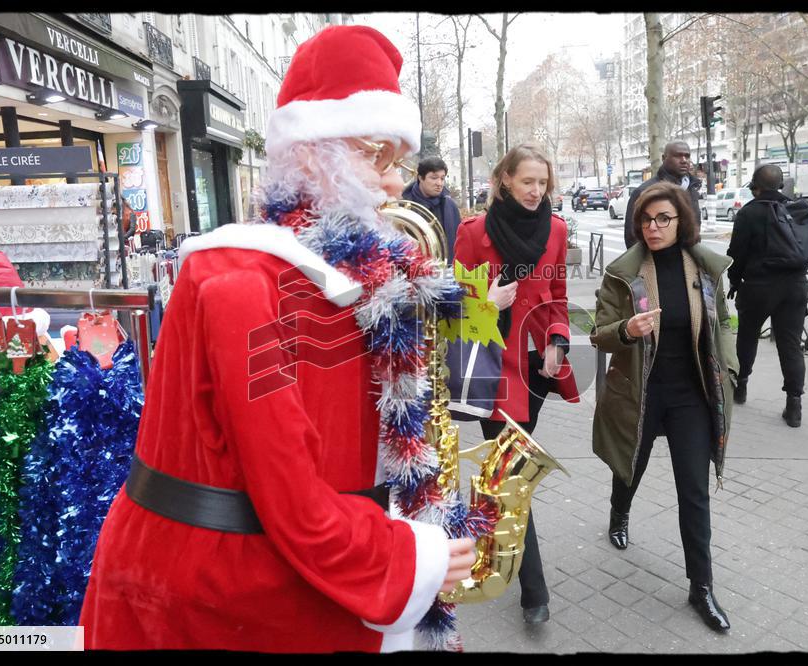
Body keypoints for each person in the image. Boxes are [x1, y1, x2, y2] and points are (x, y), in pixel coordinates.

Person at [80, 25, 476, 652]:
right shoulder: (241, 280)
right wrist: (409, 556)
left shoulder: (326, 276)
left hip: (268, 587)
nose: (397, 183)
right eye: (379, 157)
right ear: (318, 152)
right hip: (222, 601)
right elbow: (288, 495)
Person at [591, 181, 738, 633]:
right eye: (645, 219)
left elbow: (725, 320)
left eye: (662, 219)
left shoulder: (705, 268)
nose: (652, 227)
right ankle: (620, 511)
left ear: (681, 222)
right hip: (642, 391)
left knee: (693, 492)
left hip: (690, 395)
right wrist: (628, 330)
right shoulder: (625, 273)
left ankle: (702, 587)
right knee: (628, 467)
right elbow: (599, 332)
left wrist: (729, 365)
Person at [453, 143, 580, 625]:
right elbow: (454, 312)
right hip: (491, 368)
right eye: (527, 181)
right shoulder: (473, 233)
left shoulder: (558, 231)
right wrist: (487, 300)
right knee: (513, 469)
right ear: (504, 179)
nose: (535, 191)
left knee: (505, 467)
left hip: (535, 367)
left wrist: (558, 342)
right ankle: (534, 591)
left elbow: (558, 297)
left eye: (542, 183)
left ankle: (488, 542)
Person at [726, 164, 808, 427]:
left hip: (758, 286)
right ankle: (794, 405)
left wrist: (734, 280)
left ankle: (741, 387)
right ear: (780, 185)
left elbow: (737, 253)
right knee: (790, 346)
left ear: (756, 186)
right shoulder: (798, 211)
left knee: (747, 337)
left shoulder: (749, 212)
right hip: (795, 286)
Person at [624, 141, 704, 249]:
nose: (684, 160)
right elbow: (632, 237)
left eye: (687, 156)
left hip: (687, 261)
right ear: (663, 158)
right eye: (678, 156)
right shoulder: (644, 191)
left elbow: (694, 229)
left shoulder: (691, 189)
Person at [402, 155, 462, 261]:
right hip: (414, 272)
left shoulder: (450, 206)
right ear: (420, 177)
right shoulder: (404, 207)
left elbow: (460, 243)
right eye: (434, 178)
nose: (439, 183)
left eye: (442, 178)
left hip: (448, 272)